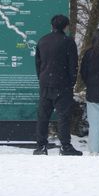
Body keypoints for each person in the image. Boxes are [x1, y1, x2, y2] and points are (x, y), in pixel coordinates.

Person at [33, 15, 82, 155]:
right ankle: (65, 146)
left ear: (52, 26)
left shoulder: (42, 41)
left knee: (43, 116)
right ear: (65, 27)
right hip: (62, 84)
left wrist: (41, 78)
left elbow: (38, 63)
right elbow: (73, 65)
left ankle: (41, 146)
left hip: (45, 84)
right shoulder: (68, 42)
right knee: (63, 116)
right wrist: (71, 82)